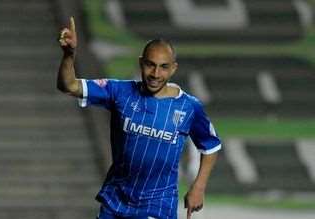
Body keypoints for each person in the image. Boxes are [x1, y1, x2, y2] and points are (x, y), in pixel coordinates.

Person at [57, 17, 221, 219]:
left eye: (163, 67)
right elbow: (69, 86)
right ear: (141, 63)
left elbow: (211, 146)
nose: (155, 73)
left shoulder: (189, 107)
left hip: (157, 206)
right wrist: (69, 55)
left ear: (173, 69)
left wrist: (199, 187)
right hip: (116, 201)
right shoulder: (119, 91)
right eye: (150, 65)